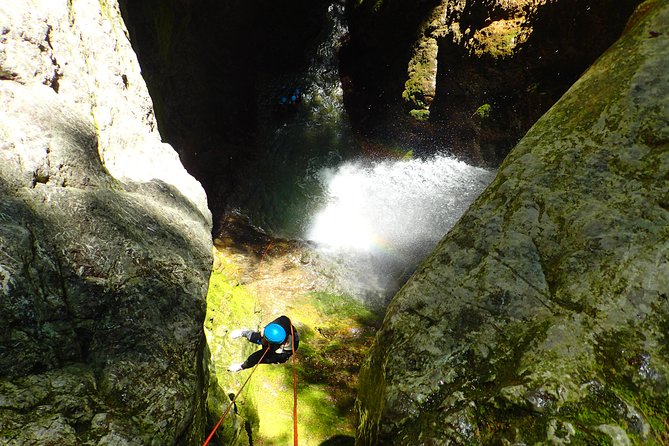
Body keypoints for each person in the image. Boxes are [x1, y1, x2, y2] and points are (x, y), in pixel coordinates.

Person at [228, 315, 299, 372]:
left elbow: (271, 356)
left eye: (265, 340)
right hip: (273, 338)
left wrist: (267, 345)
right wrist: (265, 328)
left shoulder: (282, 354)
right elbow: (283, 319)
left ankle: (241, 367)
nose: (263, 340)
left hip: (274, 352)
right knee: (255, 337)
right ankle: (243, 333)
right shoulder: (284, 321)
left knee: (255, 358)